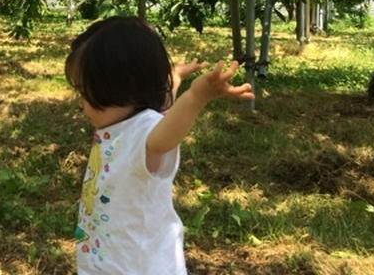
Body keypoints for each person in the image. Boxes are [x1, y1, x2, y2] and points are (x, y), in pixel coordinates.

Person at [65, 16, 255, 275]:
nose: (81, 103)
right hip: (108, 262)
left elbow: (167, 131)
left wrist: (197, 97)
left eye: (85, 93)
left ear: (119, 88)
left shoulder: (146, 133)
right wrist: (175, 79)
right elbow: (166, 110)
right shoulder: (121, 124)